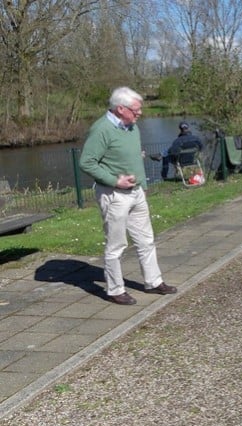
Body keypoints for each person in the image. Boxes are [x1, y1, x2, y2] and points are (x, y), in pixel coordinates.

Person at [79, 87, 177, 305]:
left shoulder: (131, 127)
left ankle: (153, 282)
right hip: (114, 195)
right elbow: (86, 162)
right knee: (116, 245)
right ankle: (115, 290)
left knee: (146, 240)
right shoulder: (101, 129)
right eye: (136, 109)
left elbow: (126, 152)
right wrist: (115, 180)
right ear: (120, 109)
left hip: (136, 193)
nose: (139, 113)